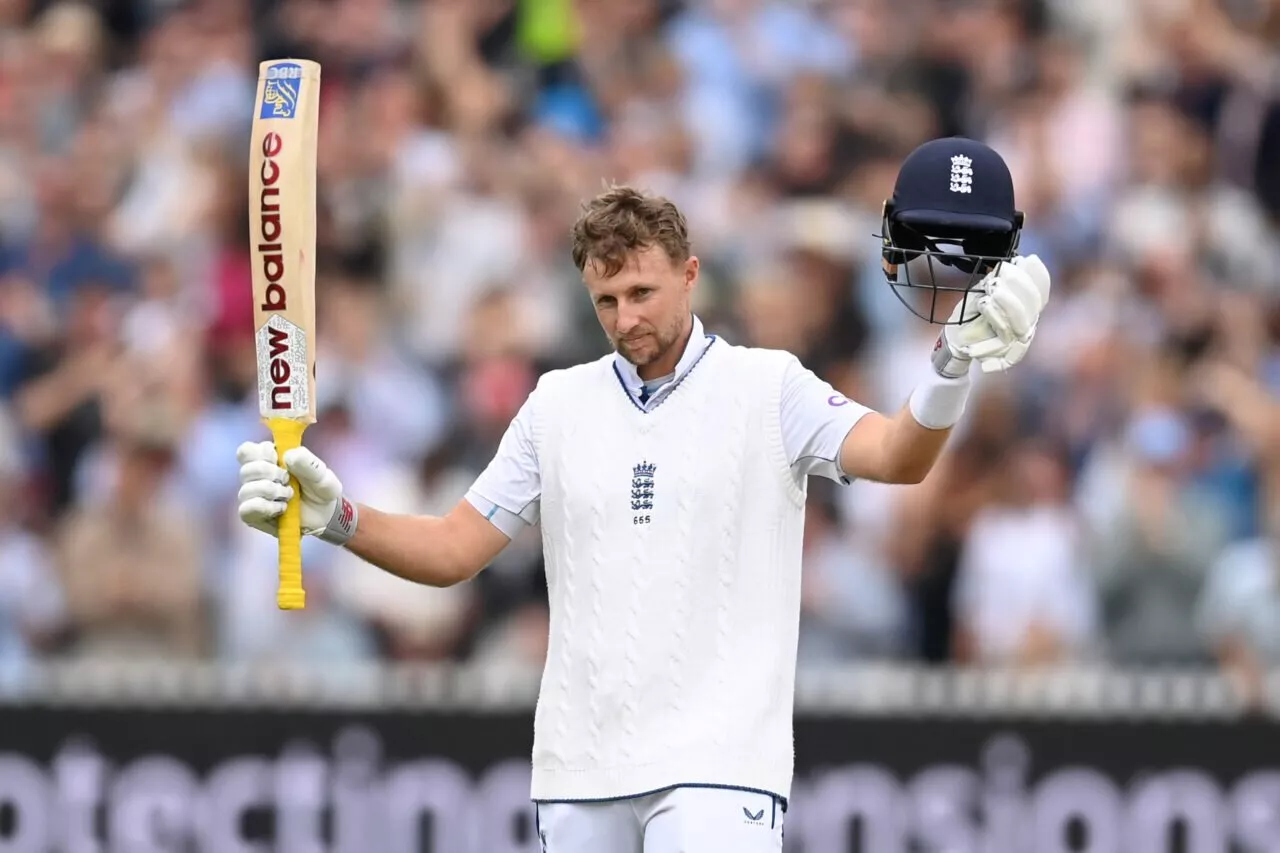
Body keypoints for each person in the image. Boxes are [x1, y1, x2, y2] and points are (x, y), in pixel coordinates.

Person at [235, 136, 1050, 852]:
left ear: (690, 275)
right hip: (578, 764)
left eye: (643, 294)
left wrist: (952, 367)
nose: (625, 319)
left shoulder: (767, 387)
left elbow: (898, 456)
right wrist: (333, 517)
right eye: (606, 301)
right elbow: (454, 549)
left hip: (719, 765)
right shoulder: (556, 403)